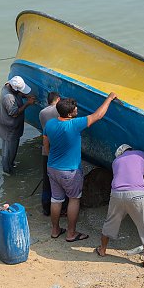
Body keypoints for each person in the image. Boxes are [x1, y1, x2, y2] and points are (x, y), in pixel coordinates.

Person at [43, 92, 118, 242]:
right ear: (70, 114)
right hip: (70, 171)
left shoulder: (50, 123)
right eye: (75, 109)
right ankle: (71, 233)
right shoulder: (74, 124)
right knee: (74, 199)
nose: (77, 110)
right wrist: (109, 99)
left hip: (52, 167)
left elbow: (46, 144)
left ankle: (55, 230)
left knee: (56, 200)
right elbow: (98, 115)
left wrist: (54, 157)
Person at [94, 144, 144, 268]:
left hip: (117, 194)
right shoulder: (141, 153)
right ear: (130, 149)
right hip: (138, 195)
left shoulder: (115, 161)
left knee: (110, 222)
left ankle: (102, 250)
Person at [0, 75, 36, 176]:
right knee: (8, 152)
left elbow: (17, 94)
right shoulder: (8, 97)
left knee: (11, 150)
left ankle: (10, 165)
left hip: (9, 127)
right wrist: (27, 103)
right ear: (15, 89)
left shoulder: (7, 86)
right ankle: (7, 172)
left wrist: (25, 96)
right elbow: (14, 113)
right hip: (9, 129)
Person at [38, 91, 61, 216]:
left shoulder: (42, 113)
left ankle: (45, 207)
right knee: (59, 182)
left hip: (45, 151)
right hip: (57, 150)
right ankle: (61, 208)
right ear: (58, 99)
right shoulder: (59, 111)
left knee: (46, 180)